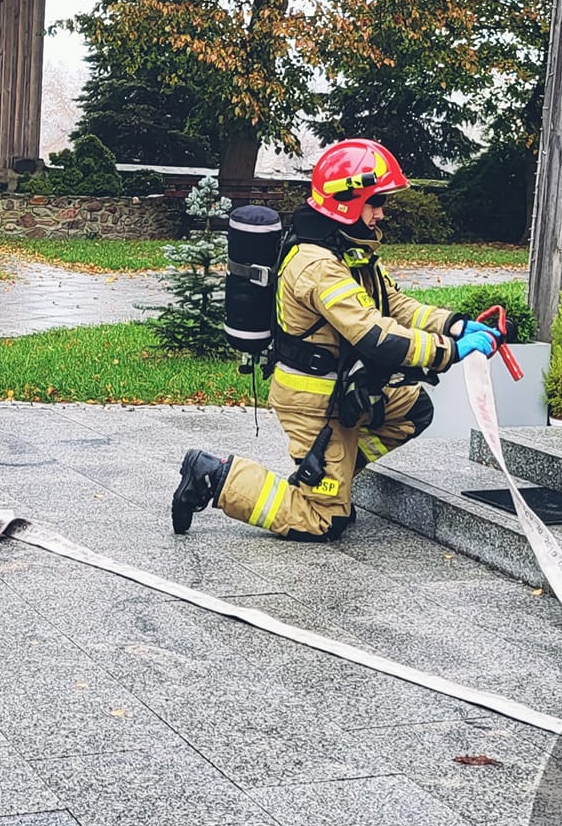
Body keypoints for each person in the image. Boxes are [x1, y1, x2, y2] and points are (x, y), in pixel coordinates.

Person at [171, 139, 500, 540]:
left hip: (341, 390)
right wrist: (448, 351)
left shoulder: (347, 249)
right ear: (346, 200)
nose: (381, 213)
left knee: (413, 409)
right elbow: (375, 335)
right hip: (313, 399)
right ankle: (214, 476)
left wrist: (454, 325)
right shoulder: (318, 266)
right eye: (374, 202)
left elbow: (393, 304)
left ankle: (330, 478)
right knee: (323, 522)